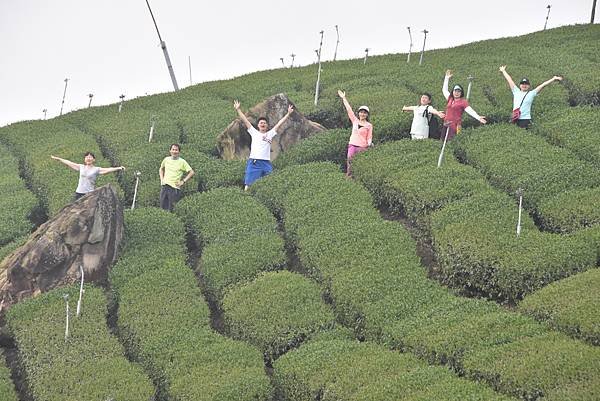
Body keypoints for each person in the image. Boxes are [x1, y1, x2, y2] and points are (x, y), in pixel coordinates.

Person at [233, 100, 294, 190]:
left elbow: (279, 124)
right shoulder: (254, 132)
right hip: (255, 162)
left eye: (264, 123)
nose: (263, 124)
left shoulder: (270, 134)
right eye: (261, 123)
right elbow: (245, 121)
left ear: (267, 126)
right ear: (258, 125)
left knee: (269, 184)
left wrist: (288, 114)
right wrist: (238, 109)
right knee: (248, 185)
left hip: (266, 163)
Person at [499, 65, 563, 129]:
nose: (524, 85)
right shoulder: (516, 91)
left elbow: (543, 85)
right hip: (515, 118)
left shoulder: (531, 93)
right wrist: (503, 71)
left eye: (526, 84)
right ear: (520, 85)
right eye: (522, 84)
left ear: (529, 86)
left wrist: (553, 79)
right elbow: (510, 80)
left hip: (525, 120)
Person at [51, 152, 125, 200]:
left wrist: (118, 168)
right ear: (84, 159)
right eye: (86, 157)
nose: (88, 158)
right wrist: (58, 159)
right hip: (79, 192)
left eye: (90, 157)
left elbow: (107, 170)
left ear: (94, 159)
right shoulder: (81, 167)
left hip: (90, 194)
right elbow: (69, 162)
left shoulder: (96, 169)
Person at [441, 70, 487, 141]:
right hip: (446, 123)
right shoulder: (450, 98)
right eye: (455, 91)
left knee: (451, 141)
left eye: (459, 91)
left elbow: (470, 110)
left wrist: (478, 117)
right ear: (452, 92)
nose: (456, 93)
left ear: (461, 93)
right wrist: (446, 78)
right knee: (442, 140)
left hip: (455, 126)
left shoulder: (463, 102)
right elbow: (444, 90)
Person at [338, 90, 373, 176]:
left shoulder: (369, 125)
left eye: (365, 113)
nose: (363, 114)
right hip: (352, 145)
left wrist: (369, 143)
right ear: (358, 113)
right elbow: (349, 110)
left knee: (360, 165)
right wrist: (344, 98)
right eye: (361, 112)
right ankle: (349, 179)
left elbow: (369, 136)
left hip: (362, 147)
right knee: (350, 163)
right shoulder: (355, 121)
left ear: (367, 115)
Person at [159, 143, 194, 211]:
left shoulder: (182, 162)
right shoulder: (166, 159)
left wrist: (183, 181)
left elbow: (191, 172)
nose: (174, 151)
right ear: (170, 151)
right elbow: (161, 169)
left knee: (171, 209)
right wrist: (161, 179)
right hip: (164, 186)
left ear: (179, 152)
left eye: (176, 150)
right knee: (162, 207)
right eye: (173, 149)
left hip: (174, 188)